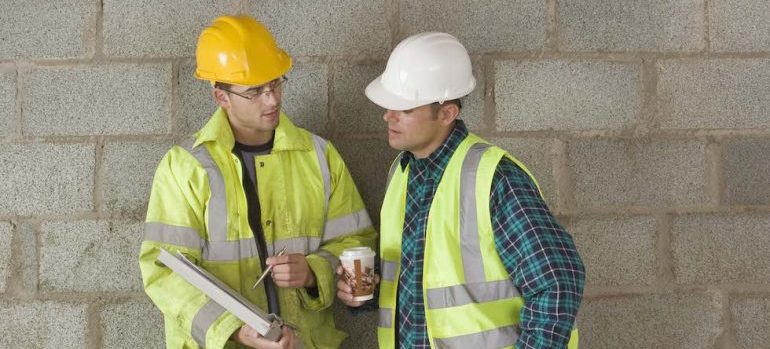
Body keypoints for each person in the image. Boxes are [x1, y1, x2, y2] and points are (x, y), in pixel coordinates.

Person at [139, 15, 376, 349]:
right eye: (255, 91)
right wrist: (234, 329)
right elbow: (163, 270)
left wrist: (312, 273)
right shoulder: (185, 168)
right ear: (221, 97)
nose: (272, 99)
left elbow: (355, 241)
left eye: (276, 83)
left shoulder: (319, 156)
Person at [336, 32, 585, 348]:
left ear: (446, 114)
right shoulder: (401, 173)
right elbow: (420, 285)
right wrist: (366, 293)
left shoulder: (495, 178)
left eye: (405, 108)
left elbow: (558, 283)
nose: (388, 116)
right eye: (389, 105)